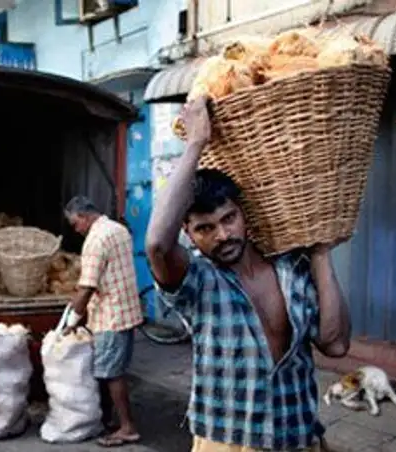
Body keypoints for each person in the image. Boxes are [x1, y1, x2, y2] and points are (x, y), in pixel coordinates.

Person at [145, 96, 350, 452]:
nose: (222, 235)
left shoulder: (291, 269)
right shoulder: (198, 282)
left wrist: (320, 254)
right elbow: (156, 246)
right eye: (205, 228)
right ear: (189, 234)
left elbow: (335, 344)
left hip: (297, 436)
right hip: (229, 442)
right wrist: (196, 142)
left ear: (243, 215)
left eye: (228, 219)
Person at [63, 195, 142, 448]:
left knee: (111, 373)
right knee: (113, 369)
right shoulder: (119, 229)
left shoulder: (95, 240)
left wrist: (72, 321)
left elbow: (87, 287)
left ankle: (127, 428)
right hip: (127, 310)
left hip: (111, 315)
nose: (76, 229)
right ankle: (108, 419)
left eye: (75, 224)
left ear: (85, 217)